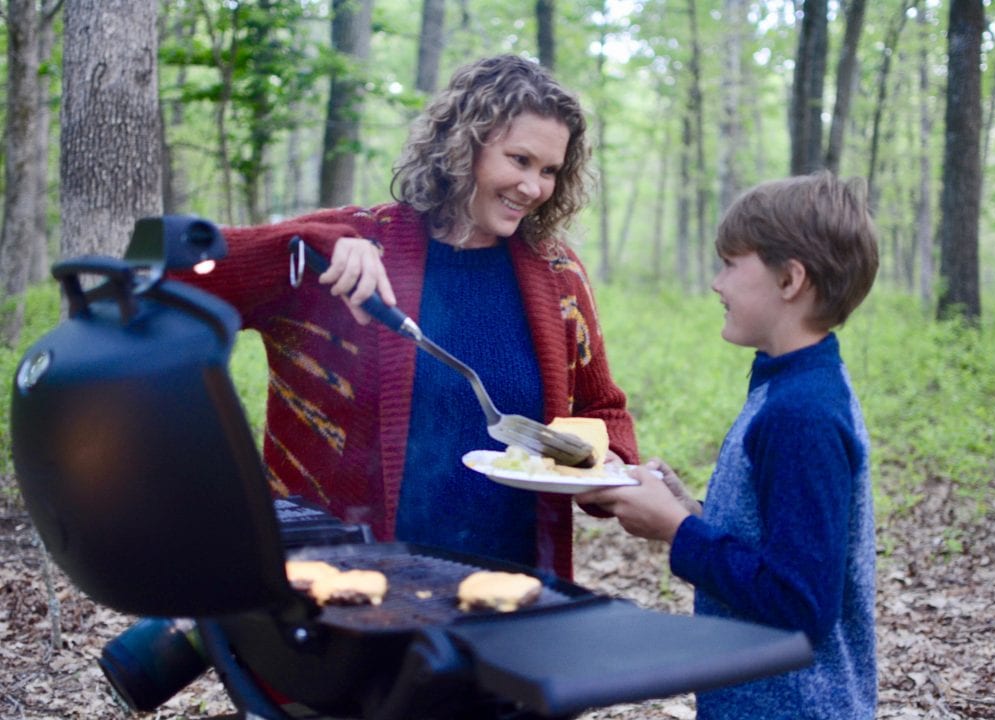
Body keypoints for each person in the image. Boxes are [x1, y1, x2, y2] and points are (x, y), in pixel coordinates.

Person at [173, 54, 638, 581]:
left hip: (515, 592)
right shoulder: (349, 249)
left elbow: (603, 408)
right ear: (464, 147)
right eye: (519, 160)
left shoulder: (558, 273)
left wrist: (612, 465)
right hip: (347, 586)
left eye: (549, 170)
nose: (533, 187)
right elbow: (177, 278)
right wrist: (306, 241)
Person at [577, 171, 878, 718]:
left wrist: (677, 530)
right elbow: (779, 540)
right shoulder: (789, 383)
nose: (717, 283)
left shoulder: (801, 414)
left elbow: (799, 602)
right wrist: (692, 510)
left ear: (790, 280)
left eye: (731, 265)